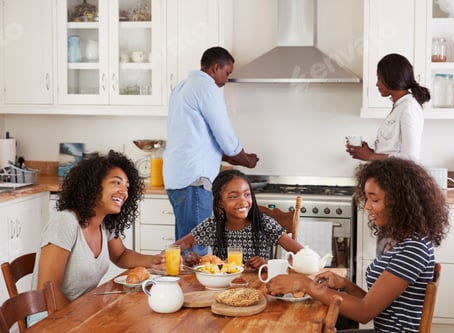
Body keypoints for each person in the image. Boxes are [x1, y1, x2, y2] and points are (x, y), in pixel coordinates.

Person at [267, 158, 449, 332]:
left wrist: (305, 284)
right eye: (367, 198)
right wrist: (345, 284)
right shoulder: (397, 239)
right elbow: (375, 303)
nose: (367, 207)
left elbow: (364, 312)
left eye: (375, 200)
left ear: (399, 202)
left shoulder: (413, 249)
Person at [31, 151, 163, 313]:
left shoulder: (104, 222)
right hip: (51, 319)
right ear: (92, 185)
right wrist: (83, 323)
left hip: (83, 311)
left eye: (127, 186)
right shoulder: (65, 223)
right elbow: (48, 292)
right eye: (116, 183)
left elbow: (121, 255)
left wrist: (153, 260)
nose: (124, 192)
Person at [163, 46, 259, 256]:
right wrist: (246, 159)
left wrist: (232, 156)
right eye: (227, 73)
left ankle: (184, 289)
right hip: (195, 179)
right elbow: (224, 135)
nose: (226, 80)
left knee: (184, 246)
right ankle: (192, 289)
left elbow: (201, 138)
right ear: (216, 68)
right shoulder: (206, 88)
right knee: (194, 250)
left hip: (178, 178)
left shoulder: (182, 87)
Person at [175, 169, 303, 269]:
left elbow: (304, 255)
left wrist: (268, 264)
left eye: (247, 194)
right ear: (220, 202)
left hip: (260, 289)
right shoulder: (213, 225)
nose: (243, 201)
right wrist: (188, 257)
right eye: (233, 197)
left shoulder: (264, 224)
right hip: (223, 288)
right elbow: (176, 247)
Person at [346, 53, 431, 162]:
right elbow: (392, 151)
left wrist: (370, 156)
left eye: (380, 78)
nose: (377, 84)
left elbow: (411, 158)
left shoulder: (409, 108)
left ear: (391, 77)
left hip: (397, 178)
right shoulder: (400, 106)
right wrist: (370, 152)